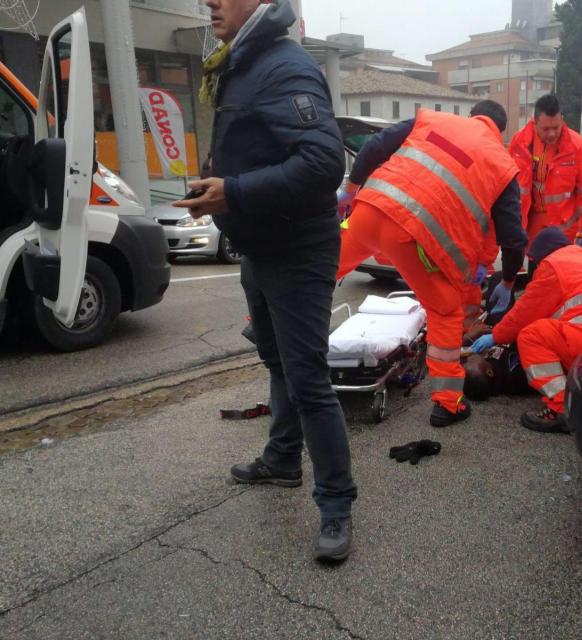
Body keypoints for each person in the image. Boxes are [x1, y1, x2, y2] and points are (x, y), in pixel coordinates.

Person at [174, 0, 357, 563]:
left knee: (307, 379)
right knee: (276, 362)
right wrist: (219, 191)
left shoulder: (284, 65)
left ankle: (336, 505)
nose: (210, 1)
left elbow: (325, 164)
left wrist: (233, 191)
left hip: (297, 250)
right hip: (259, 244)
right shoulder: (242, 62)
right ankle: (281, 460)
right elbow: (254, 152)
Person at [336, 100, 528, 427]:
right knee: (445, 312)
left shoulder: (432, 120)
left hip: (369, 210)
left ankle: (266, 318)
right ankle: (447, 404)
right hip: (416, 240)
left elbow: (375, 147)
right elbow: (513, 239)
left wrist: (350, 190)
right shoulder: (501, 164)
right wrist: (508, 282)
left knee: (319, 269)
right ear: (500, 131)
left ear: (472, 116)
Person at [469, 227, 582, 433]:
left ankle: (561, 408)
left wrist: (495, 336)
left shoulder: (553, 265)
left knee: (531, 336)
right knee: (548, 332)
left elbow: (525, 312)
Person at [509, 94, 582, 249]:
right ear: (534, 122)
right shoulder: (519, 143)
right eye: (546, 129)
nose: (551, 133)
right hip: (529, 226)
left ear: (562, 121)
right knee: (534, 271)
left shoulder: (577, 147)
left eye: (556, 127)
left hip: (564, 230)